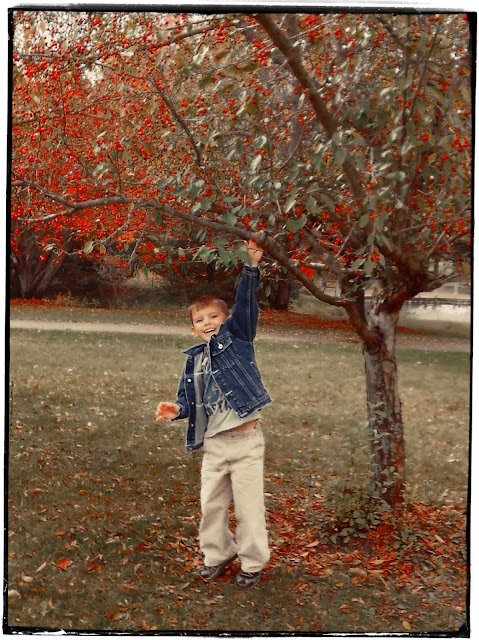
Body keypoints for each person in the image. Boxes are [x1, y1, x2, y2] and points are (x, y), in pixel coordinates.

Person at [155, 240, 271, 590]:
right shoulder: (194, 360)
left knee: (250, 510)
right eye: (200, 319)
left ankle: (252, 563)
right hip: (214, 446)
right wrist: (176, 409)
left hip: (246, 443)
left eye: (214, 316)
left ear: (227, 321)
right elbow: (189, 401)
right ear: (193, 329)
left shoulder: (238, 339)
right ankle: (218, 555)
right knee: (212, 507)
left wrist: (251, 268)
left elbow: (246, 308)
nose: (207, 322)